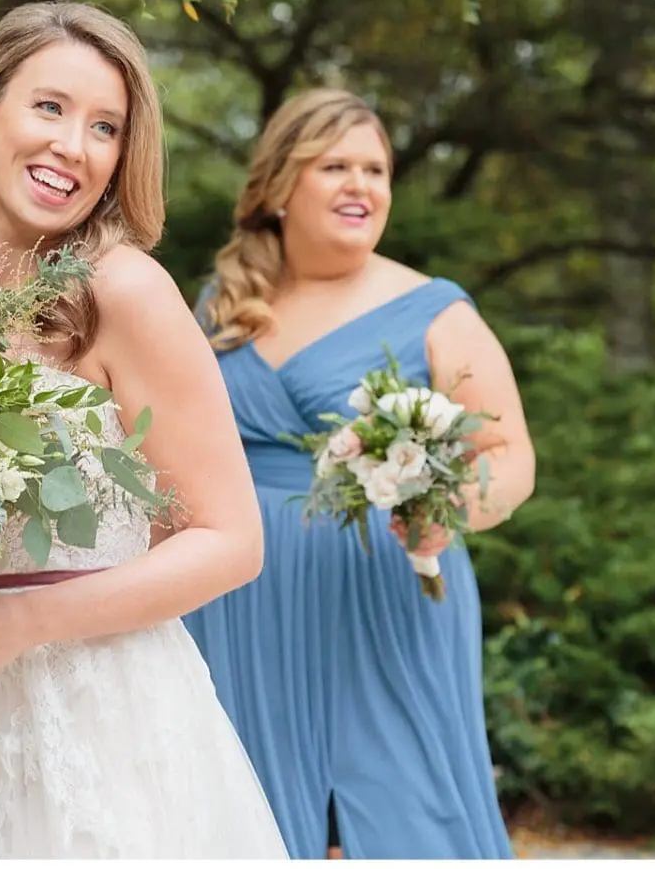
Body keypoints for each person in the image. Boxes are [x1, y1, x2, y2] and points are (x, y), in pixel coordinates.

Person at [0, 1, 286, 858]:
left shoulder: (122, 291)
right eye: (50, 108)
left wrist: (23, 625)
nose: (73, 146)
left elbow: (232, 540)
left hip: (98, 712)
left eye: (105, 128)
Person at [182, 87, 538, 859]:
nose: (361, 185)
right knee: (250, 818)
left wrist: (454, 511)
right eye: (334, 165)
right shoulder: (222, 304)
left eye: (375, 169)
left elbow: (511, 457)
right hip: (242, 601)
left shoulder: (435, 311)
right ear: (279, 186)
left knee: (413, 812)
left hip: (384, 594)